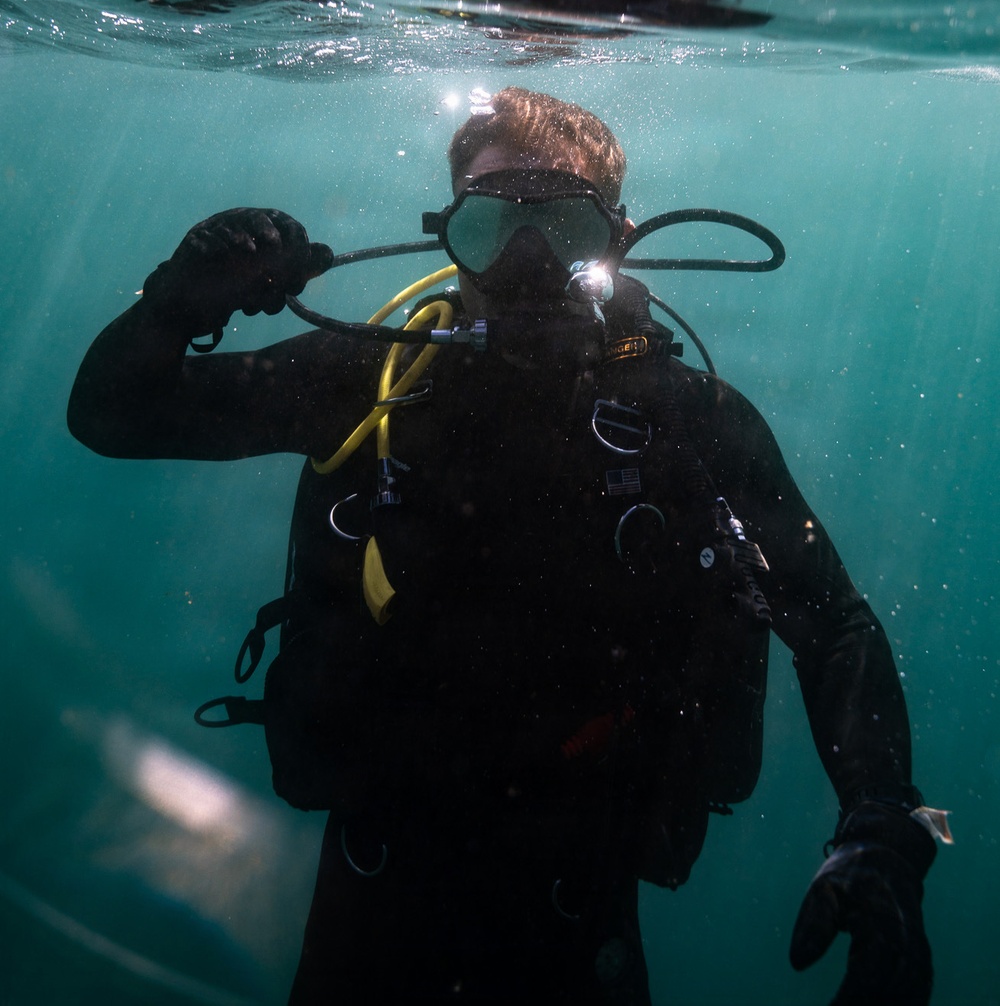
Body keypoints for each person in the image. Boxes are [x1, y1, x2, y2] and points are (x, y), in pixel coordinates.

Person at [68, 87, 944, 1006]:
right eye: (489, 226)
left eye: (561, 228)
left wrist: (881, 819)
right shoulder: (364, 381)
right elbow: (112, 415)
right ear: (447, 230)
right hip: (374, 903)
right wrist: (173, 303)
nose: (525, 262)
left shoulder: (688, 423)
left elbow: (832, 621)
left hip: (580, 918)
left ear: (614, 239)